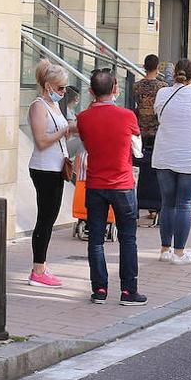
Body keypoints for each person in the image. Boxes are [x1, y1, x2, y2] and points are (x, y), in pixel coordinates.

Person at [76, 69, 144, 305]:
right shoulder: (127, 116)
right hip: (123, 184)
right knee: (128, 238)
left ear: (90, 91)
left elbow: (86, 142)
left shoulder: (83, 118)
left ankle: (100, 290)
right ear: (115, 89)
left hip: (95, 184)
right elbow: (136, 143)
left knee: (95, 239)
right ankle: (128, 291)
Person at [151, 59, 191, 265]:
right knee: (184, 205)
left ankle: (164, 250)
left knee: (167, 203)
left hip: (165, 154)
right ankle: (179, 253)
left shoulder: (162, 93)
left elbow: (157, 114)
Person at [27, 60, 75, 288]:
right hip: (44, 167)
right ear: (48, 86)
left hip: (55, 166)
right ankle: (38, 268)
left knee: (49, 216)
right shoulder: (39, 106)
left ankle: (41, 265)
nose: (63, 92)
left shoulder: (52, 105)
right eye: (60, 88)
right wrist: (64, 130)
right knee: (45, 218)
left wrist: (66, 132)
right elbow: (42, 140)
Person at [132, 54, 167, 225]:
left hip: (140, 130)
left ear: (144, 66)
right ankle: (154, 206)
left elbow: (136, 106)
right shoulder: (163, 86)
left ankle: (139, 200)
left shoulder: (136, 86)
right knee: (155, 168)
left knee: (139, 166)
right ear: (158, 66)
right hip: (157, 130)